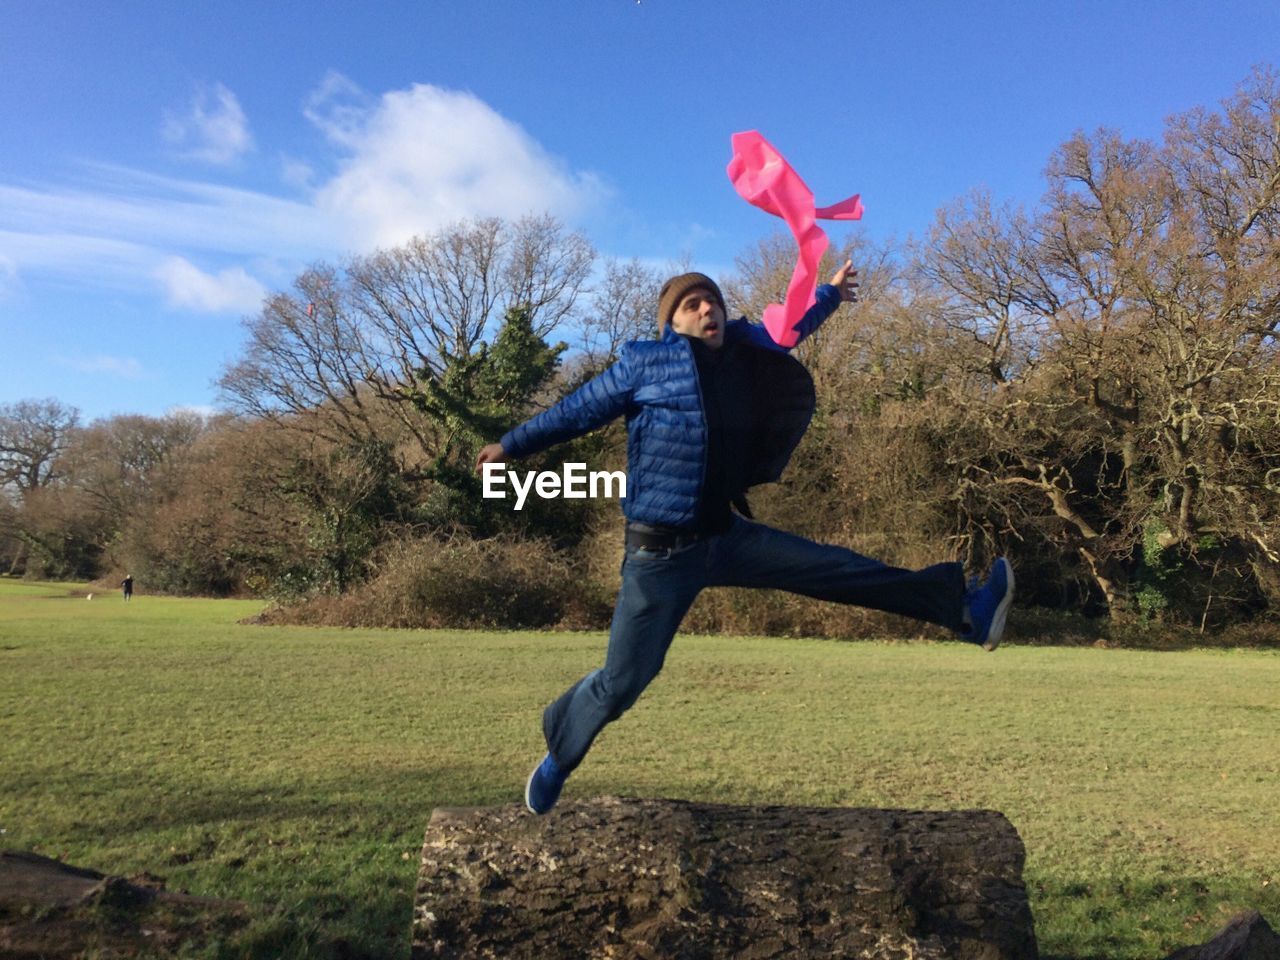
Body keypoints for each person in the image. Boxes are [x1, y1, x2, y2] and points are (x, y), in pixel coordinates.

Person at [474, 262, 1014, 815]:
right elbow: (576, 410)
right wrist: (509, 446)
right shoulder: (646, 364)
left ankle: (966, 610)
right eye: (693, 304)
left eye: (713, 301)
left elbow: (791, 326)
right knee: (624, 680)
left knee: (838, 568)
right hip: (659, 554)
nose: (708, 309)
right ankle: (559, 756)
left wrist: (829, 294)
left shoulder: (745, 350)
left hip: (726, 536)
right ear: (673, 322)